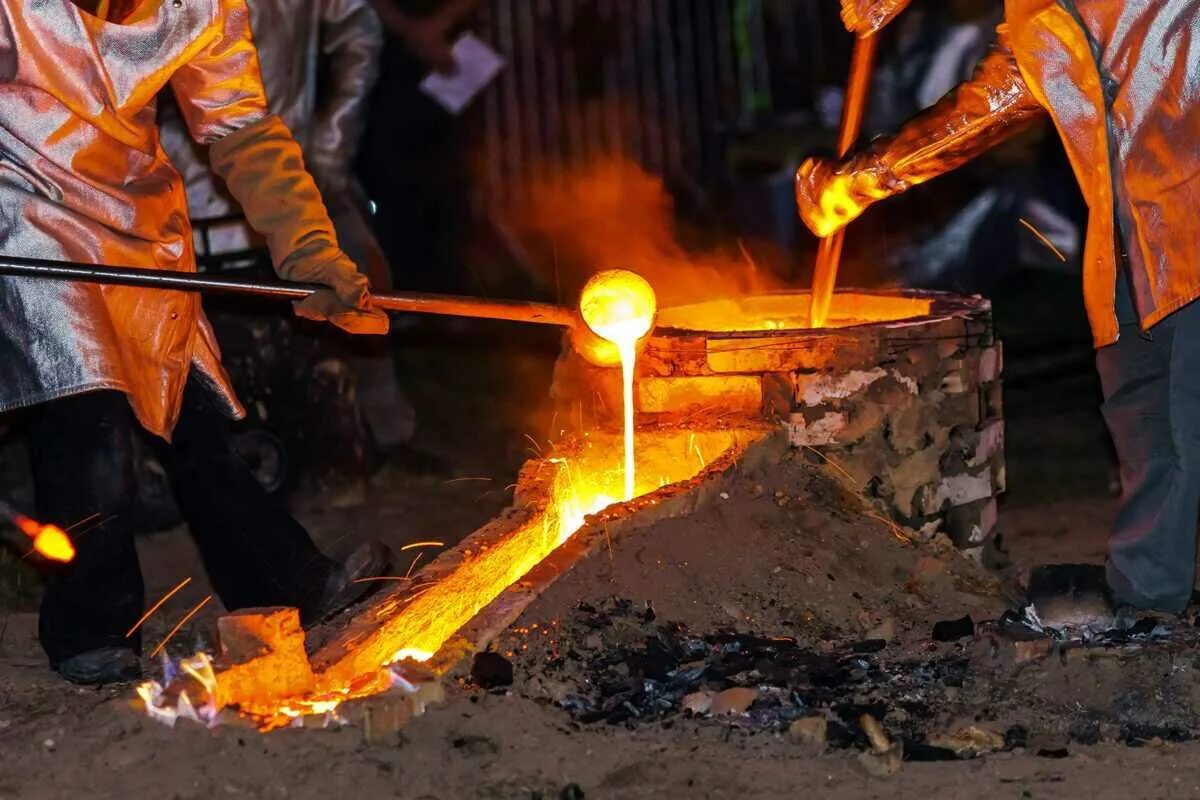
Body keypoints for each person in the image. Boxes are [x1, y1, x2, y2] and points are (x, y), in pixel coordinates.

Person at [0, 0, 390, 684]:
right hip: (23, 211)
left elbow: (241, 128)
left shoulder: (205, 5)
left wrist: (309, 250)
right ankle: (92, 625)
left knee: (192, 414)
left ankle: (284, 581)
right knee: (87, 415)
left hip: (136, 218)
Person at [800, 0, 1200, 618]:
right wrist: (863, 180)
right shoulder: (1036, 15)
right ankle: (1147, 599)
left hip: (1190, 216)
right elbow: (993, 101)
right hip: (1133, 240)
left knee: (1181, 413)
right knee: (1141, 408)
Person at [158, 0, 417, 455]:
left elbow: (359, 28)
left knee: (359, 280)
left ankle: (386, 433)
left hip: (292, 175)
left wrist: (332, 146)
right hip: (186, 190)